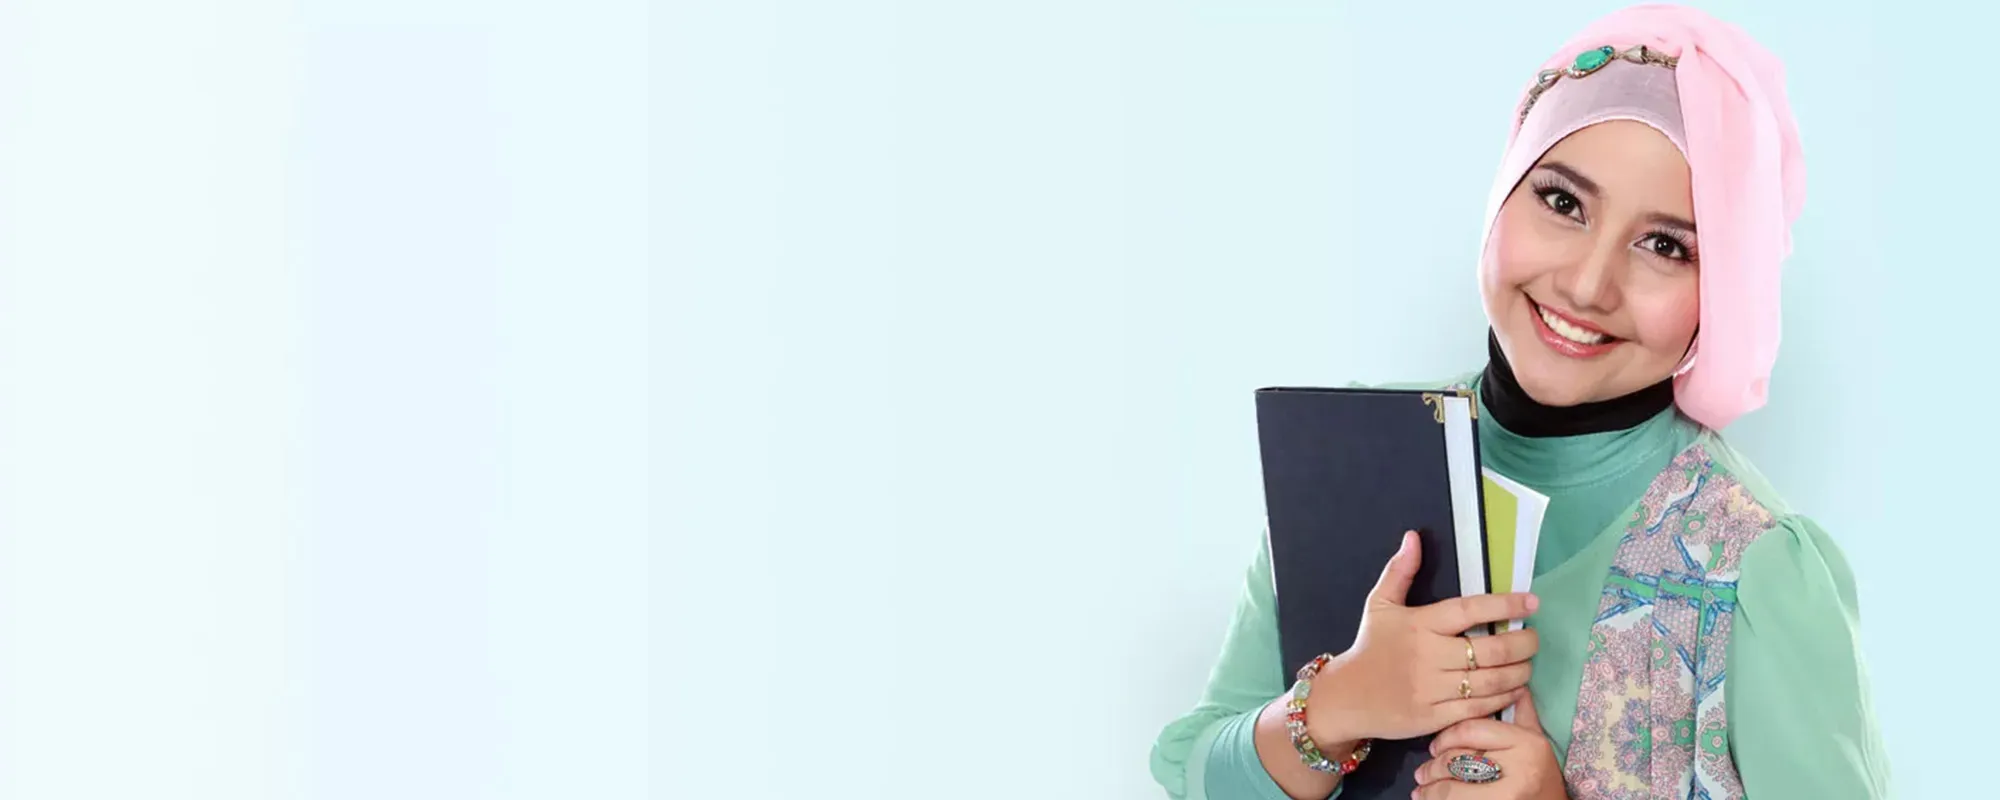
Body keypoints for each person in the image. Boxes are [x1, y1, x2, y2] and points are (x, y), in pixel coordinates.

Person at [1147, 5, 1891, 799]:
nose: (1586, 284)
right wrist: (1338, 705)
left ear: (1725, 294)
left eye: (1667, 245)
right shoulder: (1352, 455)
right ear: (1504, 189)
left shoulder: (1755, 568)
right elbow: (1191, 768)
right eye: (1563, 202)